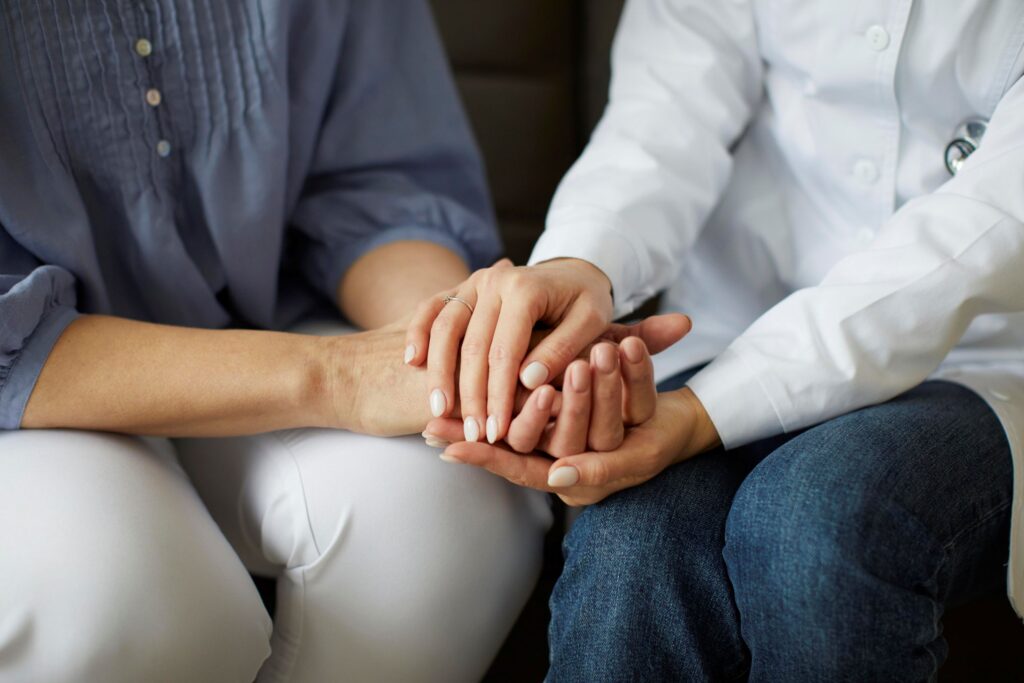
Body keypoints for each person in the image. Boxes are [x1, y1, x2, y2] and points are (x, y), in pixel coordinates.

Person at [0, 2, 687, 681]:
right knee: (123, 599)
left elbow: (374, 184)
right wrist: (341, 377)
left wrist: (479, 351)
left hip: (267, 312)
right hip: (32, 391)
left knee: (457, 511)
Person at [413, 0, 1024, 679]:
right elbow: (669, 107)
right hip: (738, 323)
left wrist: (701, 413)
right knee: (634, 530)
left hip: (988, 357)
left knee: (815, 520)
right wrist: (580, 264)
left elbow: (990, 228)